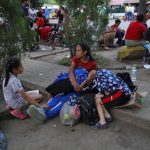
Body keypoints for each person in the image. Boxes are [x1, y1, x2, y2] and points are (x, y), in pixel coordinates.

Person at [27, 43, 97, 122]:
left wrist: (86, 82)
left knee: (64, 99)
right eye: (76, 50)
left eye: (78, 50)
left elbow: (92, 76)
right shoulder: (75, 59)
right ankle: (42, 110)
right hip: (70, 84)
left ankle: (46, 116)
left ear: (85, 52)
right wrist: (74, 84)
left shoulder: (92, 63)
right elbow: (71, 72)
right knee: (58, 96)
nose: (76, 52)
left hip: (80, 89)